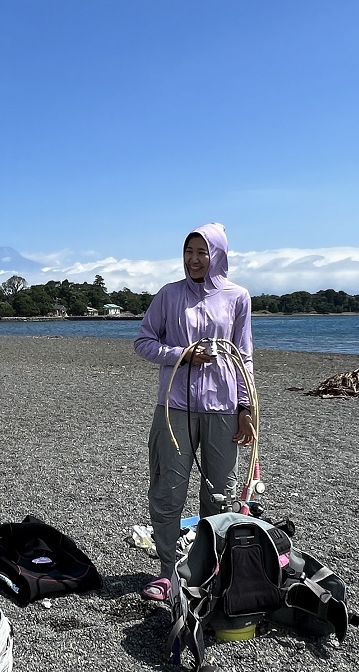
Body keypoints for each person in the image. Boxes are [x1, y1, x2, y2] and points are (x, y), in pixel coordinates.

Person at [133, 222, 255, 601]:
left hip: (222, 410)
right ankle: (168, 571)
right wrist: (181, 354)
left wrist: (246, 407)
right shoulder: (169, 296)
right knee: (168, 490)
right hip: (174, 409)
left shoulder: (238, 297)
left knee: (220, 494)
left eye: (202, 252)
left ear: (217, 255)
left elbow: (244, 356)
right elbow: (143, 341)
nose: (194, 259)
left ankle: (210, 570)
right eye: (189, 251)